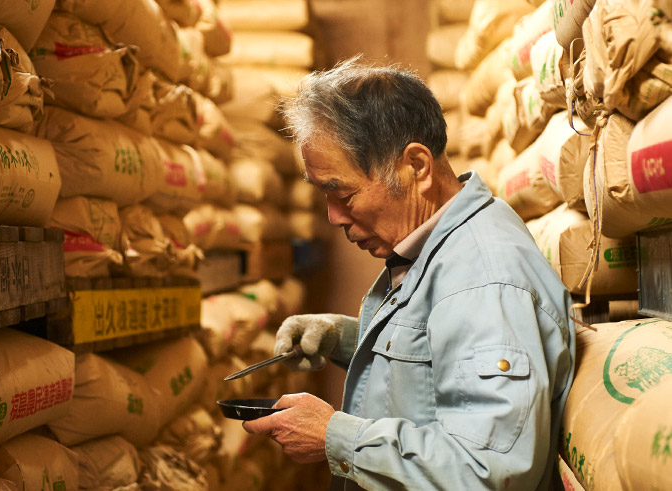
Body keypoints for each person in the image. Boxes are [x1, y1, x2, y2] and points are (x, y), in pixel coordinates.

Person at [242, 58, 575, 490]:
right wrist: (345, 337)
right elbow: (439, 357)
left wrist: (335, 436)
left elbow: (487, 471)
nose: (333, 217)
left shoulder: (483, 280)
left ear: (416, 166)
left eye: (342, 193)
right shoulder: (442, 247)